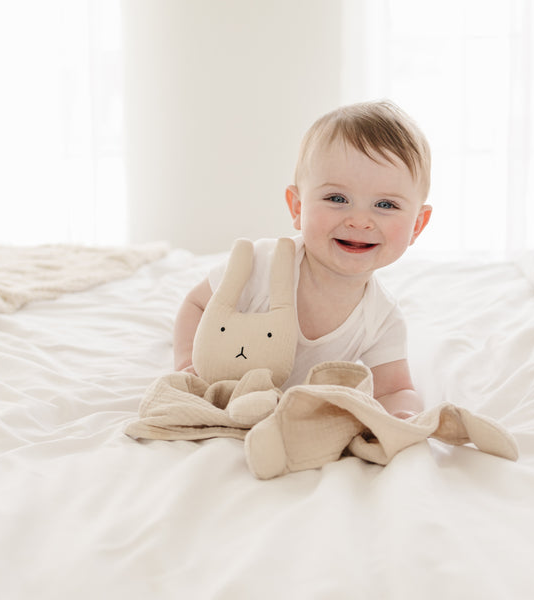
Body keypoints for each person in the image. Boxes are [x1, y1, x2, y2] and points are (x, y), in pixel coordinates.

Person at [173, 100, 433, 419]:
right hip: (232, 389)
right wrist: (188, 364)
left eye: (386, 205)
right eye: (337, 199)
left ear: (417, 225)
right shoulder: (262, 264)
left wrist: (401, 417)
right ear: (297, 208)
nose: (360, 220)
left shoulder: (382, 317)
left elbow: (395, 389)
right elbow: (197, 305)